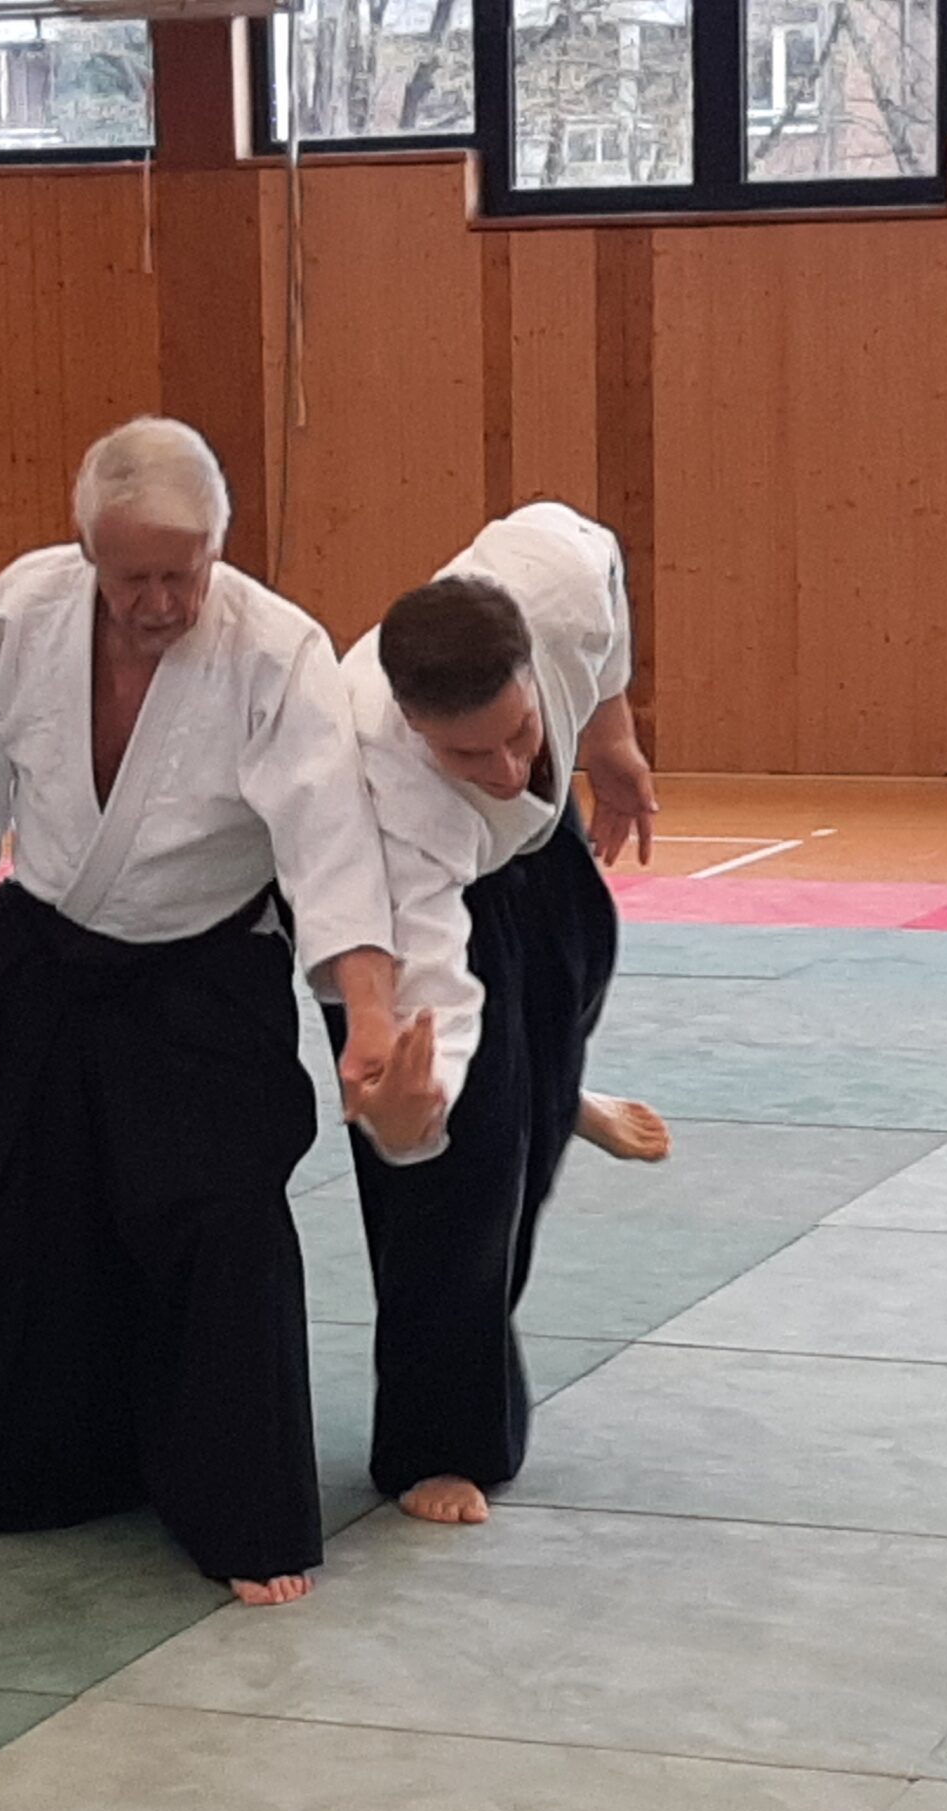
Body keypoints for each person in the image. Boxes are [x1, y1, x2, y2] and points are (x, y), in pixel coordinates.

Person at [0, 417, 399, 1607]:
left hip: (201, 973)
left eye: (184, 571)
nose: (161, 602)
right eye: (133, 578)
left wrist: (367, 1015)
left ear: (220, 544)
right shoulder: (22, 612)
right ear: (86, 553)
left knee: (217, 1216)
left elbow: (329, 849)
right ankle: (49, 1465)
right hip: (45, 951)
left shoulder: (277, 652)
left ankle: (241, 1509)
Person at [335, 501, 669, 1527]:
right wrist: (414, 1116)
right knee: (465, 1182)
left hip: (535, 852)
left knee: (577, 969)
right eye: (468, 754)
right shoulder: (383, 772)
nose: (504, 768)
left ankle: (553, 1092)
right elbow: (432, 981)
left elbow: (606, 568)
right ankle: (437, 1445)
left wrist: (607, 734)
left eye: (518, 733)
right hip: (423, 905)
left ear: (531, 658)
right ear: (414, 725)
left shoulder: (554, 578)